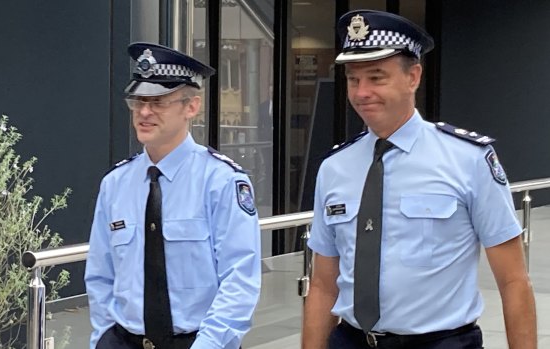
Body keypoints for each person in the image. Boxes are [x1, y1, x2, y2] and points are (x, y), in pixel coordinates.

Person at [302, 9, 537, 349]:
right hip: (350, 341)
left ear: (413, 77)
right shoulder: (335, 166)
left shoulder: (468, 159)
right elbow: (324, 285)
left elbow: (514, 281)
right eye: (353, 79)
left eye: (377, 77)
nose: (361, 92)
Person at [85, 42, 262, 349]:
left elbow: (239, 280)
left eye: (159, 102)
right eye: (138, 100)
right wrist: (102, 336)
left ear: (191, 106)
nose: (144, 112)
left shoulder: (221, 181)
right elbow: (101, 275)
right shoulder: (115, 183)